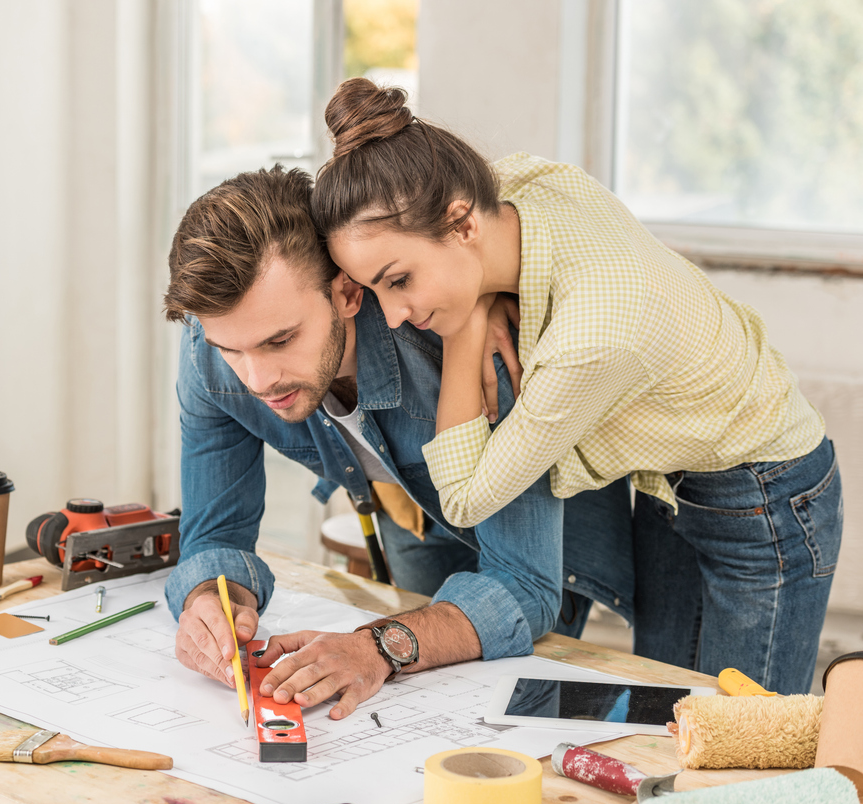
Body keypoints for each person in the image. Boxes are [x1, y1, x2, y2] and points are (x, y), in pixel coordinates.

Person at [307, 78, 842, 695]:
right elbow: (502, 182)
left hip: (768, 498)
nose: (392, 317)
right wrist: (482, 289)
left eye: (398, 280)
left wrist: (471, 318)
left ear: (460, 225)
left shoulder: (594, 336)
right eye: (372, 290)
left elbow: (462, 498)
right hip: (673, 484)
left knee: (746, 751)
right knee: (672, 720)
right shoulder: (530, 186)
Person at [162, 164, 634, 720]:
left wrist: (376, 646)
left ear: (345, 292)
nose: (257, 380)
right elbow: (213, 535)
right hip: (407, 506)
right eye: (231, 349)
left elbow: (525, 587)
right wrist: (210, 601)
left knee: (508, 717)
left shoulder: (467, 349)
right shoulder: (210, 347)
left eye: (281, 340)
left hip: (545, 525)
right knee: (428, 712)